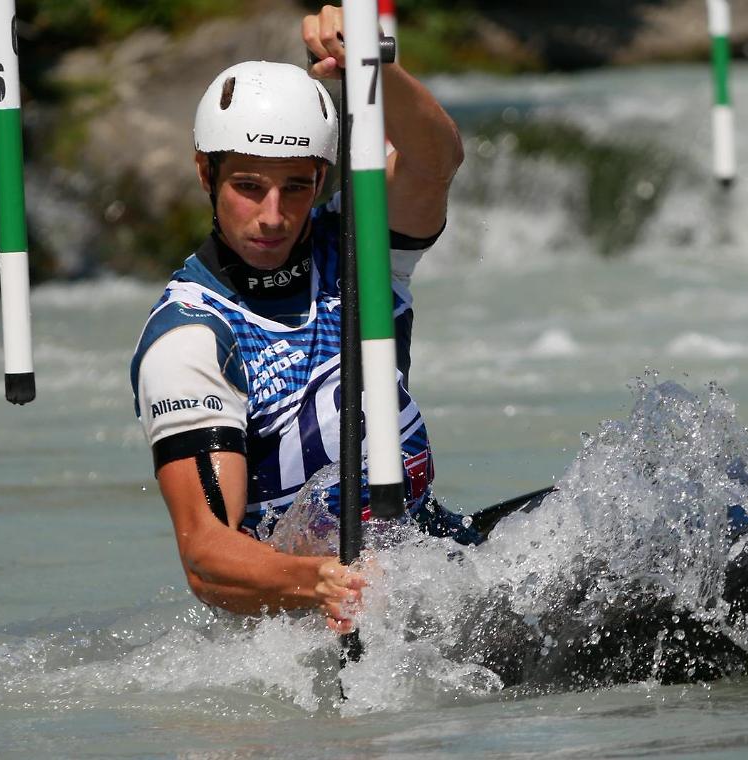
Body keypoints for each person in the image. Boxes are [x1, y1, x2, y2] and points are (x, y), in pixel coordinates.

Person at [130, 6, 472, 635]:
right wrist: (316, 584)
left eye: (295, 187)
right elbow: (206, 556)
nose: (272, 215)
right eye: (249, 186)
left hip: (432, 561)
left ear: (321, 179)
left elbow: (434, 162)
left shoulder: (356, 247)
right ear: (206, 173)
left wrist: (371, 66)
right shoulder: (190, 340)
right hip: (310, 619)